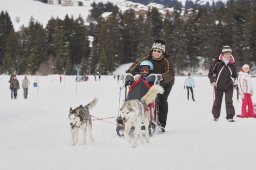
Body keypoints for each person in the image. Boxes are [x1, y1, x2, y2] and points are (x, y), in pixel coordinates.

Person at [126, 39, 175, 132]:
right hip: (150, 80)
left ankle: (161, 123)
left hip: (165, 83)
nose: (156, 53)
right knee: (142, 97)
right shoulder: (147, 57)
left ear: (162, 52)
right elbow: (136, 65)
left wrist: (162, 76)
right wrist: (129, 73)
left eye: (159, 51)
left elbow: (171, 72)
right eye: (154, 50)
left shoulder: (167, 60)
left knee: (161, 100)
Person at [208, 45, 237, 122]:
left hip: (229, 85)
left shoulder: (233, 63)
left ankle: (230, 116)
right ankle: (216, 116)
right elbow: (210, 73)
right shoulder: (217, 62)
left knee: (229, 101)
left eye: (229, 53)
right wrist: (213, 81)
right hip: (218, 85)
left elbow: (235, 75)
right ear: (223, 53)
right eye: (226, 53)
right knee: (217, 101)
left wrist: (235, 83)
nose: (228, 55)